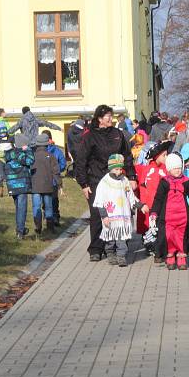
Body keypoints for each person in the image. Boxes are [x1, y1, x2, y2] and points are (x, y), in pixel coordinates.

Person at [74, 104, 137, 262]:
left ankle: (121, 245)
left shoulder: (118, 134)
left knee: (120, 211)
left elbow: (127, 156)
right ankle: (96, 248)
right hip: (96, 179)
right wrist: (83, 184)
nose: (110, 118)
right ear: (99, 119)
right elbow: (81, 161)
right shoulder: (89, 136)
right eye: (106, 116)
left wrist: (131, 177)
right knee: (98, 213)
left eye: (111, 115)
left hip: (117, 179)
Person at [149, 153, 189, 271]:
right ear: (169, 169)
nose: (178, 170)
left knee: (181, 237)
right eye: (175, 168)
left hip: (183, 216)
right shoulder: (164, 182)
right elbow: (158, 199)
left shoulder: (186, 181)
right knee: (168, 236)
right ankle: (170, 255)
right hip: (168, 217)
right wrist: (154, 212)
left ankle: (181, 256)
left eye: (179, 168)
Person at [93, 154, 149, 267]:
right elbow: (100, 200)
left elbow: (131, 196)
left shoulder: (124, 180)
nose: (119, 172)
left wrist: (141, 205)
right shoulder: (104, 182)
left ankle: (121, 255)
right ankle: (110, 252)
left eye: (120, 169)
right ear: (110, 168)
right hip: (110, 215)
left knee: (121, 237)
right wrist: (104, 216)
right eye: (116, 169)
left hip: (122, 215)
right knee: (111, 238)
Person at [137, 141, 172, 261]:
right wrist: (143, 204)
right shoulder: (148, 170)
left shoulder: (166, 169)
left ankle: (161, 248)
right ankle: (150, 246)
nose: (166, 157)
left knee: (161, 227)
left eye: (167, 155)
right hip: (150, 205)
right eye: (164, 155)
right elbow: (143, 188)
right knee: (150, 227)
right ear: (157, 156)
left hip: (164, 204)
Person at [30, 133, 61, 234]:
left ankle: (38, 226)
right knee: (48, 206)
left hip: (35, 186)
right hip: (48, 186)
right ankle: (50, 227)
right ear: (47, 144)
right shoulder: (51, 156)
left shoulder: (32, 156)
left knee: (36, 206)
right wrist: (59, 184)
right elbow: (56, 171)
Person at [4, 145, 35, 239]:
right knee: (21, 209)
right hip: (21, 185)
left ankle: (20, 228)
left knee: (18, 208)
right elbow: (30, 160)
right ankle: (20, 232)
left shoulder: (9, 154)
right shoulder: (20, 154)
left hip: (12, 185)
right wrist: (28, 149)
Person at [41, 130, 67, 227]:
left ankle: (49, 216)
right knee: (54, 199)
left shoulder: (39, 150)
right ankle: (54, 217)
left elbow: (63, 164)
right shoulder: (57, 150)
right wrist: (56, 170)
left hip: (45, 179)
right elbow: (63, 164)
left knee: (46, 199)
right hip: (54, 179)